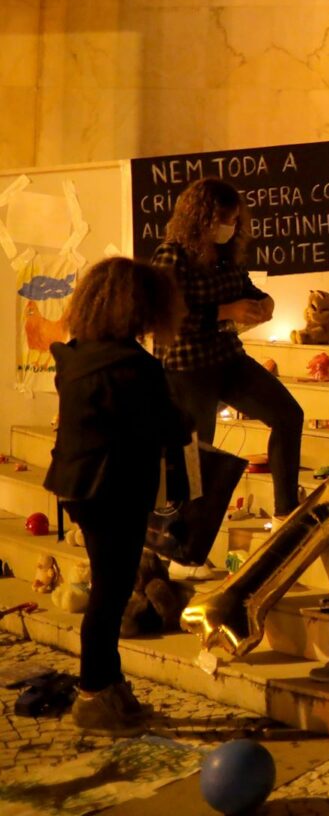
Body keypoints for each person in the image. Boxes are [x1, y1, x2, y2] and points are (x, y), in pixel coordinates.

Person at [46, 258, 191, 735]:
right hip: (114, 489)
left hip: (78, 485)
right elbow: (166, 428)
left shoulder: (78, 355)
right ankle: (93, 694)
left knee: (110, 591)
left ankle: (109, 685)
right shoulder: (134, 367)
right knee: (109, 597)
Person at [151, 178, 304, 516]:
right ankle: (183, 545)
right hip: (187, 367)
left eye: (235, 220)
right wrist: (225, 312)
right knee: (195, 454)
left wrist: (263, 302)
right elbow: (166, 315)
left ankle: (286, 509)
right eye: (224, 219)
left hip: (227, 358)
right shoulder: (172, 255)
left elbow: (244, 287)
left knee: (288, 414)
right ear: (200, 217)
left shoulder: (226, 255)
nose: (229, 227)